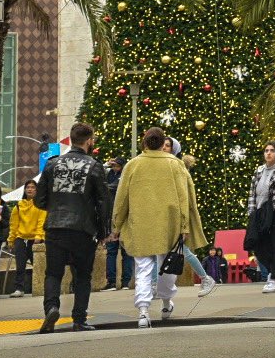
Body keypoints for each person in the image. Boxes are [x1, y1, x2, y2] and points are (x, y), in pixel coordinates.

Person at [111, 127, 206, 329]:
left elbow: (121, 199)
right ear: (163, 143)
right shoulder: (175, 164)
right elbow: (185, 197)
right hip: (169, 223)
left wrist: (117, 225)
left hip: (141, 223)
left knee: (143, 268)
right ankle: (165, 302)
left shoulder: (132, 165)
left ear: (144, 142)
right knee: (167, 267)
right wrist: (185, 225)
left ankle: (143, 310)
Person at [34, 122, 112, 333]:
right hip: (83, 229)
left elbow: (39, 200)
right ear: (89, 141)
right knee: (83, 275)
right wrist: (104, 230)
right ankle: (79, 319)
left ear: (70, 139)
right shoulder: (94, 166)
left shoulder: (52, 164)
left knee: (53, 274)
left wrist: (54, 205)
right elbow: (104, 201)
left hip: (55, 227)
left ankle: (51, 308)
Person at [164, 136, 217, 296]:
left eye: (168, 146)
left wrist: (184, 224)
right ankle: (155, 286)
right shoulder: (165, 166)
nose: (164, 148)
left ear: (174, 150)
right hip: (165, 216)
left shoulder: (178, 167)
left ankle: (205, 278)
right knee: (159, 252)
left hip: (177, 217)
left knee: (183, 251)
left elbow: (184, 197)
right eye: (163, 145)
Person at [246, 140, 275, 293]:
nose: (268, 153)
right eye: (266, 150)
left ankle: (274, 280)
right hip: (260, 213)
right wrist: (253, 213)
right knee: (257, 245)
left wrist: (265, 214)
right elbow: (252, 192)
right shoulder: (259, 170)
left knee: (274, 246)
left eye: (272, 150)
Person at [8, 179, 46, 297]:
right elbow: (13, 225)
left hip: (35, 239)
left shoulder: (41, 205)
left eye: (33, 187)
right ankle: (19, 289)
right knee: (20, 265)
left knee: (39, 265)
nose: (30, 189)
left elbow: (42, 221)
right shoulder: (18, 207)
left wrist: (39, 236)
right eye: (28, 187)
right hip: (21, 239)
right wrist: (11, 240)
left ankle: (43, 287)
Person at [101, 156, 134, 291]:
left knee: (126, 250)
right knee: (111, 250)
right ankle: (112, 282)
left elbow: (112, 187)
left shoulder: (124, 176)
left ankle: (125, 282)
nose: (114, 167)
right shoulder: (108, 174)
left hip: (124, 216)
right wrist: (106, 165)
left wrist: (104, 187)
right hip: (111, 216)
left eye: (116, 165)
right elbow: (99, 176)